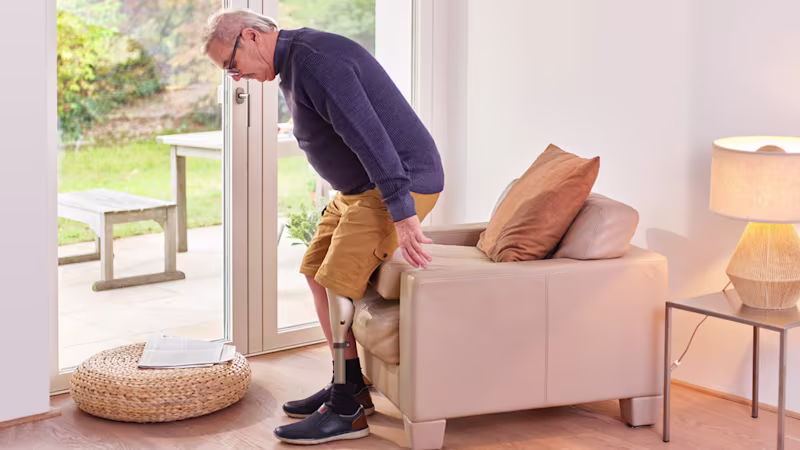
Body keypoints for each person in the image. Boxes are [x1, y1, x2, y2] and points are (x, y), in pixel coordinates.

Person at [202, 8, 444, 445]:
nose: (235, 77)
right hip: (358, 190)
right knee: (314, 271)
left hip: (397, 183)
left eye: (231, 65)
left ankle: (348, 413)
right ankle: (348, 385)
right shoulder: (296, 62)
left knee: (335, 280)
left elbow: (371, 138)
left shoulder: (317, 62)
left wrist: (403, 215)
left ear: (252, 37)